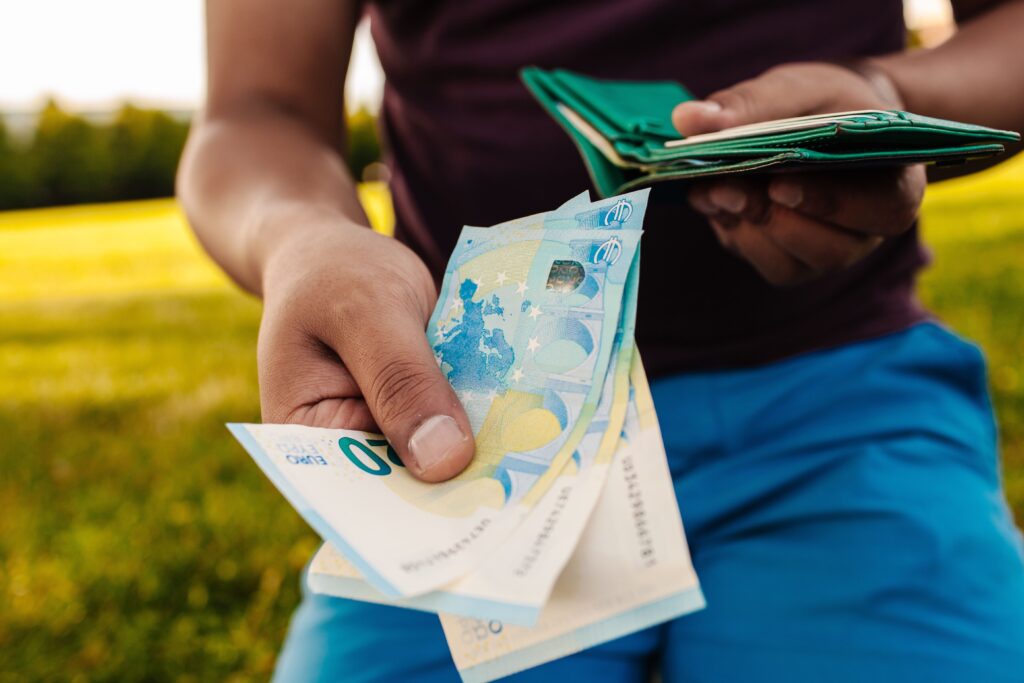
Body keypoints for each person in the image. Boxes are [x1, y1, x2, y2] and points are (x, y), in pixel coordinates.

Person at [177, 0, 1024, 680]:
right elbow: (256, 110)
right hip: (475, 420)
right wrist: (299, 237)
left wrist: (883, 90)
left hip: (844, 399)